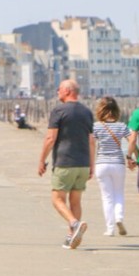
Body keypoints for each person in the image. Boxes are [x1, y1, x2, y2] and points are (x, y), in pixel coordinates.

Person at [37, 79, 94, 249]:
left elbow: (50, 138)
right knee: (75, 201)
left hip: (65, 162)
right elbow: (91, 140)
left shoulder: (59, 110)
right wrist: (92, 165)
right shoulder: (87, 112)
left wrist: (41, 160)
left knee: (57, 199)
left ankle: (74, 224)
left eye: (59, 89)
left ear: (68, 91)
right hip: (83, 163)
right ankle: (71, 236)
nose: (57, 91)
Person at [92, 96, 130, 236]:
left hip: (101, 164)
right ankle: (119, 218)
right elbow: (131, 140)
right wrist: (131, 156)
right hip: (118, 163)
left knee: (107, 197)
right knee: (119, 193)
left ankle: (110, 228)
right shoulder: (122, 126)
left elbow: (91, 143)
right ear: (116, 110)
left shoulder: (96, 126)